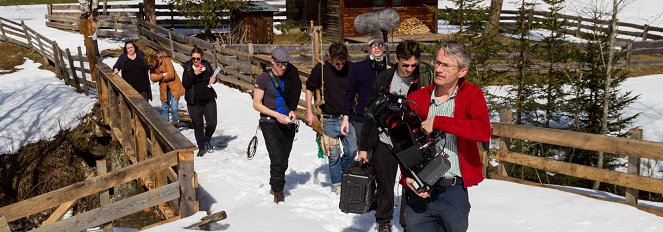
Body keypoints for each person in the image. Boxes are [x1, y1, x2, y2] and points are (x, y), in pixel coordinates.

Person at [402, 40, 491, 232]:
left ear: (462, 71)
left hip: (454, 190)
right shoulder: (417, 99)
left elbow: (482, 131)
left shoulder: (472, 95)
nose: (439, 69)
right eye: (437, 62)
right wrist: (405, 178)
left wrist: (439, 122)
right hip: (420, 188)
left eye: (446, 65)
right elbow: (402, 144)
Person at [358, 40, 425, 232]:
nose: (410, 69)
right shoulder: (383, 79)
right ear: (397, 59)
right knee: (385, 183)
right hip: (384, 139)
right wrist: (364, 146)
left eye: (414, 64)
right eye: (406, 65)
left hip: (409, 140)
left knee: (411, 182)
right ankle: (384, 221)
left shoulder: (422, 80)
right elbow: (370, 113)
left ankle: (407, 221)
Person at [305, 42, 357, 195]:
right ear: (330, 57)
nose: (340, 64)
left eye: (342, 61)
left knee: (352, 150)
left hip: (348, 118)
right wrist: (309, 111)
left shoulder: (352, 68)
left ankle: (342, 172)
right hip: (329, 118)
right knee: (333, 155)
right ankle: (337, 183)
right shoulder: (321, 69)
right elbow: (309, 88)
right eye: (337, 62)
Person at [252, 46, 302, 204]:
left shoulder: (290, 75)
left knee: (284, 160)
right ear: (272, 61)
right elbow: (256, 104)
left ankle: (275, 182)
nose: (283, 67)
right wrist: (276, 115)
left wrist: (293, 111)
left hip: (287, 122)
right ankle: (278, 191)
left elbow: (296, 91)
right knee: (277, 159)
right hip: (269, 122)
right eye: (280, 64)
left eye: (285, 64)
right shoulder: (263, 78)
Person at [341, 32, 389, 145]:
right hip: (362, 119)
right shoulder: (358, 68)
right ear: (369, 48)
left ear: (385, 47)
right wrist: (345, 117)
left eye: (380, 44)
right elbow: (349, 93)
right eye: (373, 45)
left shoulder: (389, 68)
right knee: (364, 156)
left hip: (383, 121)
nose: (377, 48)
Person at [182, 47, 217, 157]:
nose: (196, 60)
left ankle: (206, 139)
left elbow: (213, 77)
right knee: (198, 125)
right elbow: (185, 84)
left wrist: (214, 80)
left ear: (202, 58)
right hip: (194, 101)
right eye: (194, 58)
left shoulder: (207, 66)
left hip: (209, 99)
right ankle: (201, 147)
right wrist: (194, 74)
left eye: (198, 58)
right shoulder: (187, 68)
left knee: (212, 123)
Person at [146, 51, 185, 127]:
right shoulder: (152, 67)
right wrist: (163, 74)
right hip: (164, 88)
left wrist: (159, 78)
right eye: (149, 66)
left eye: (151, 65)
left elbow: (171, 75)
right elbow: (152, 78)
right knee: (165, 108)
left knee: (174, 108)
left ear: (154, 61)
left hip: (174, 87)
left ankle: (175, 124)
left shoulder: (166, 60)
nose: (150, 67)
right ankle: (165, 127)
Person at [79, 9, 98, 81]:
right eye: (90, 16)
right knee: (90, 49)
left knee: (95, 48)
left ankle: (96, 58)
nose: (91, 17)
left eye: (92, 16)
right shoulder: (86, 22)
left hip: (93, 38)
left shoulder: (92, 22)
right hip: (89, 38)